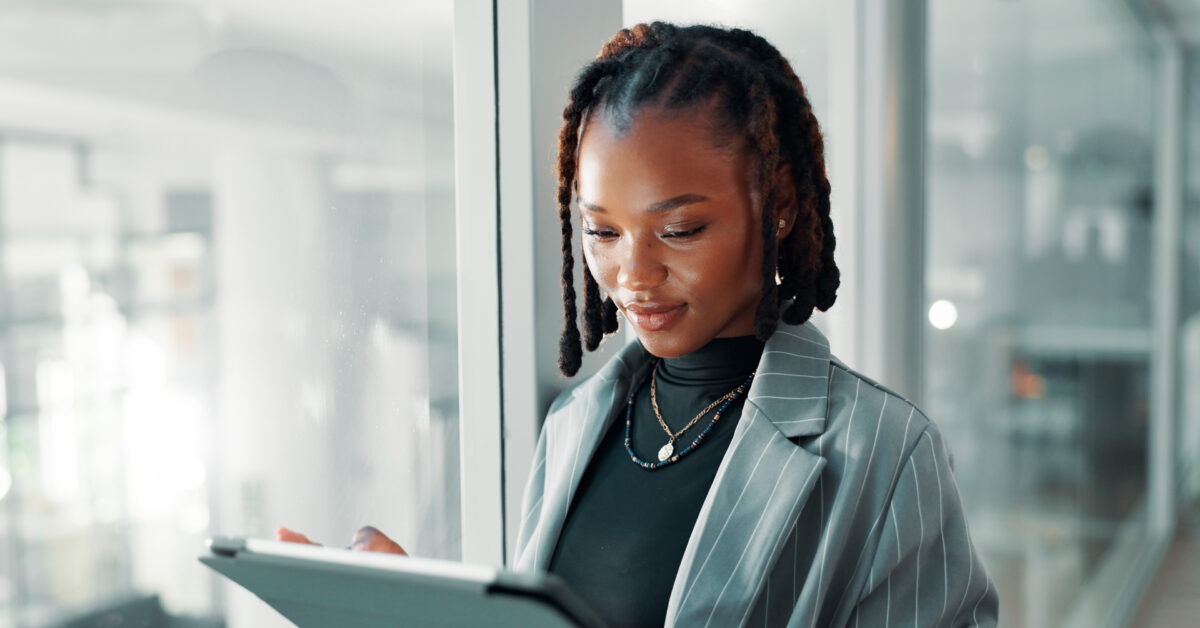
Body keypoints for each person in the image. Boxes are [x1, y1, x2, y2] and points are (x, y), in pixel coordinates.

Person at [279, 21, 999, 627]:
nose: (634, 274)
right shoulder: (574, 425)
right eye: (602, 232)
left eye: (680, 230)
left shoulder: (885, 453)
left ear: (777, 203)